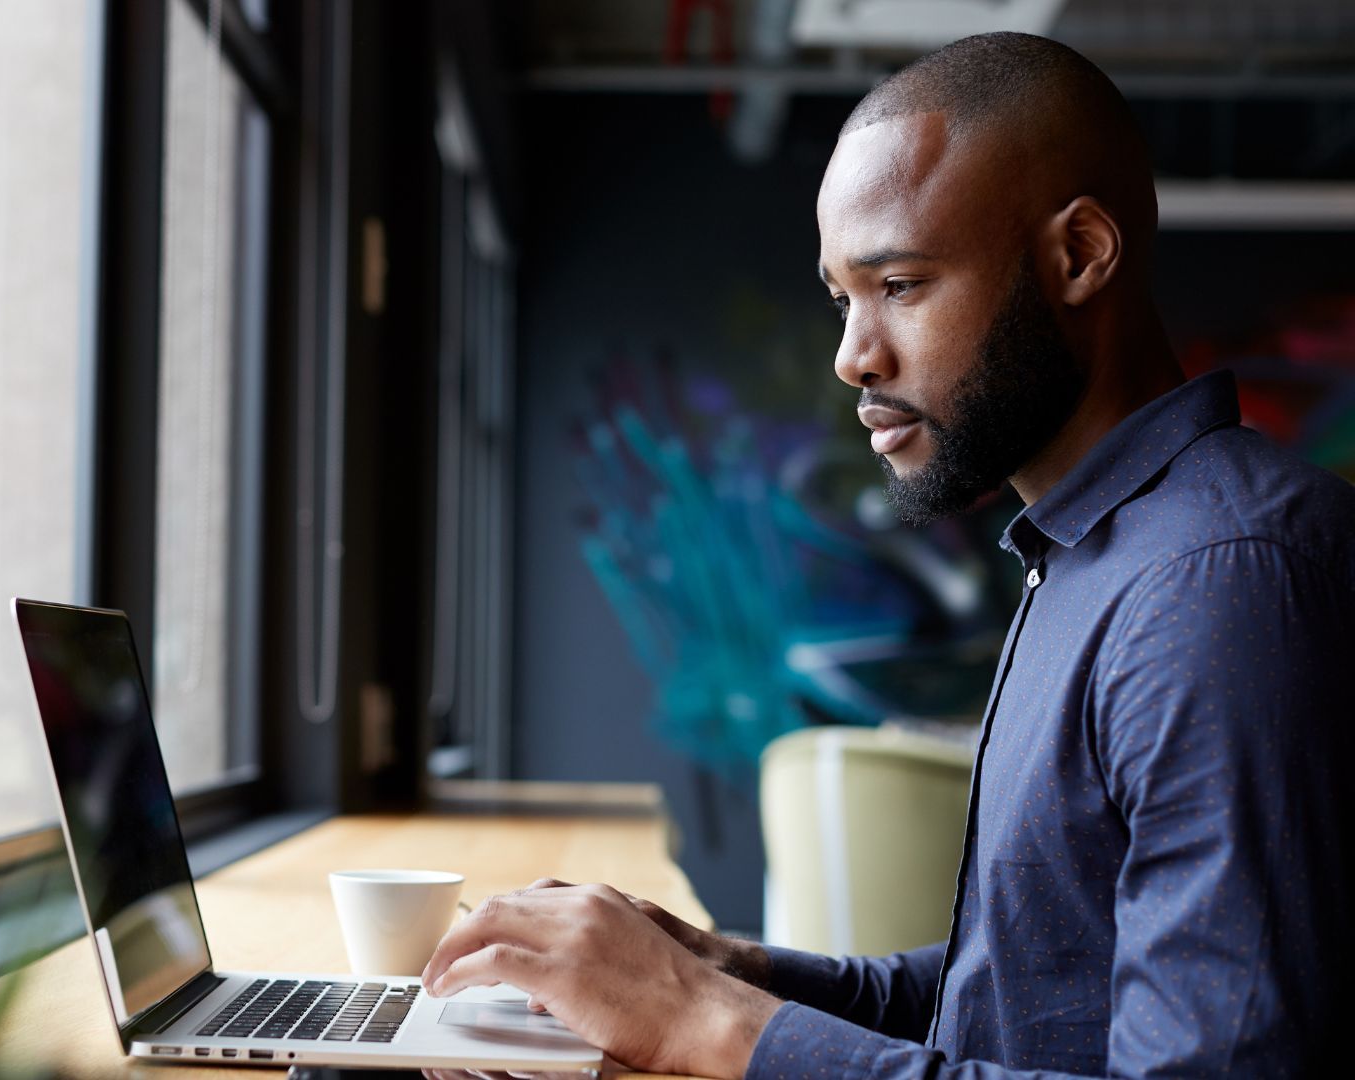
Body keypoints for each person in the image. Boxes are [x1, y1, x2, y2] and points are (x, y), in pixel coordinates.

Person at [422, 31, 1354, 1079]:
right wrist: (710, 968)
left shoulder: (1216, 583)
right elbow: (1019, 990)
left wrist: (704, 1022)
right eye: (842, 298)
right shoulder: (1100, 552)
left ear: (1080, 256)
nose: (852, 355)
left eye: (901, 283)